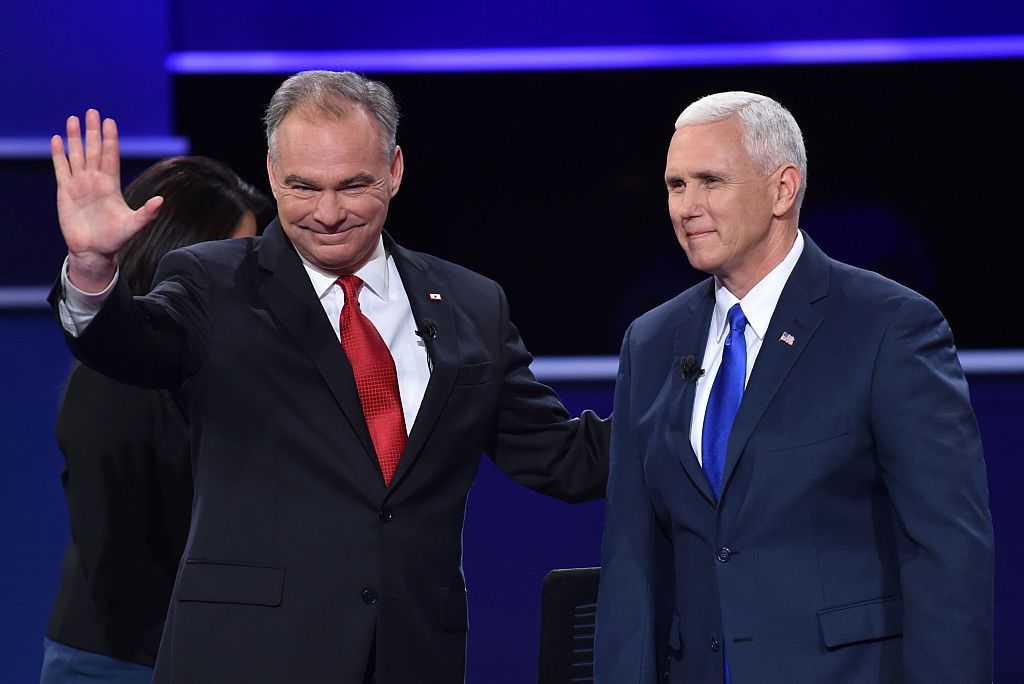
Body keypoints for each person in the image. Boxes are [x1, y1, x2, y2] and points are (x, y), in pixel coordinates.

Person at [48, 70, 608, 683]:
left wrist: (704, 398)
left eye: (354, 185)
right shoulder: (213, 283)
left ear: (395, 170)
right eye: (303, 187)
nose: (329, 213)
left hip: (410, 654)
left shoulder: (473, 304)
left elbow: (562, 456)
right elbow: (128, 346)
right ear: (270, 173)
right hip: (246, 659)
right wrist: (94, 267)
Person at [594, 92, 993, 682]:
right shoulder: (651, 342)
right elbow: (632, 556)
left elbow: (947, 550)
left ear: (783, 189)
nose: (687, 207)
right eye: (676, 185)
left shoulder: (888, 326)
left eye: (711, 181)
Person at [42, 156, 272, 683]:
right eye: (227, 261)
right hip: (120, 665)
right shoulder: (111, 381)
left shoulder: (234, 369)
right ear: (174, 257)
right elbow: (116, 564)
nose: (246, 282)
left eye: (250, 260)